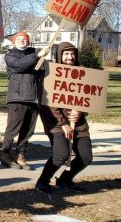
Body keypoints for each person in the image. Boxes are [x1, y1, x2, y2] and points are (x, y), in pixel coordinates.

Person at [35, 42, 93, 194]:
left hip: (78, 123)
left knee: (85, 157)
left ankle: (64, 180)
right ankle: (42, 182)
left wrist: (80, 111)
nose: (70, 57)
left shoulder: (82, 74)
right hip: (56, 122)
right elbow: (47, 104)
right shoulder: (50, 74)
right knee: (61, 155)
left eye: (73, 53)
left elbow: (89, 98)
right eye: (66, 54)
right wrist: (64, 124)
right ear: (60, 55)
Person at [1, 31, 48, 170]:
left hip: (33, 98)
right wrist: (37, 55)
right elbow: (20, 65)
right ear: (14, 41)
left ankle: (21, 155)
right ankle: (5, 154)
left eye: (24, 39)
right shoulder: (11, 56)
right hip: (17, 98)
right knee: (13, 128)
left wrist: (43, 58)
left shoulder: (35, 56)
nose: (22, 41)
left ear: (28, 41)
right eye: (19, 39)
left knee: (28, 130)